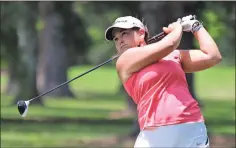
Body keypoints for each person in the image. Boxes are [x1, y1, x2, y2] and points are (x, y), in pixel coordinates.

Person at [104, 15, 222, 147]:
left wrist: (196, 27)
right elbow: (170, 43)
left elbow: (212, 56)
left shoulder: (172, 55)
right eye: (116, 38)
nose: (120, 41)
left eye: (124, 34)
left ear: (141, 33)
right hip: (155, 130)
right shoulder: (124, 60)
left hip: (191, 124)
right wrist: (178, 28)